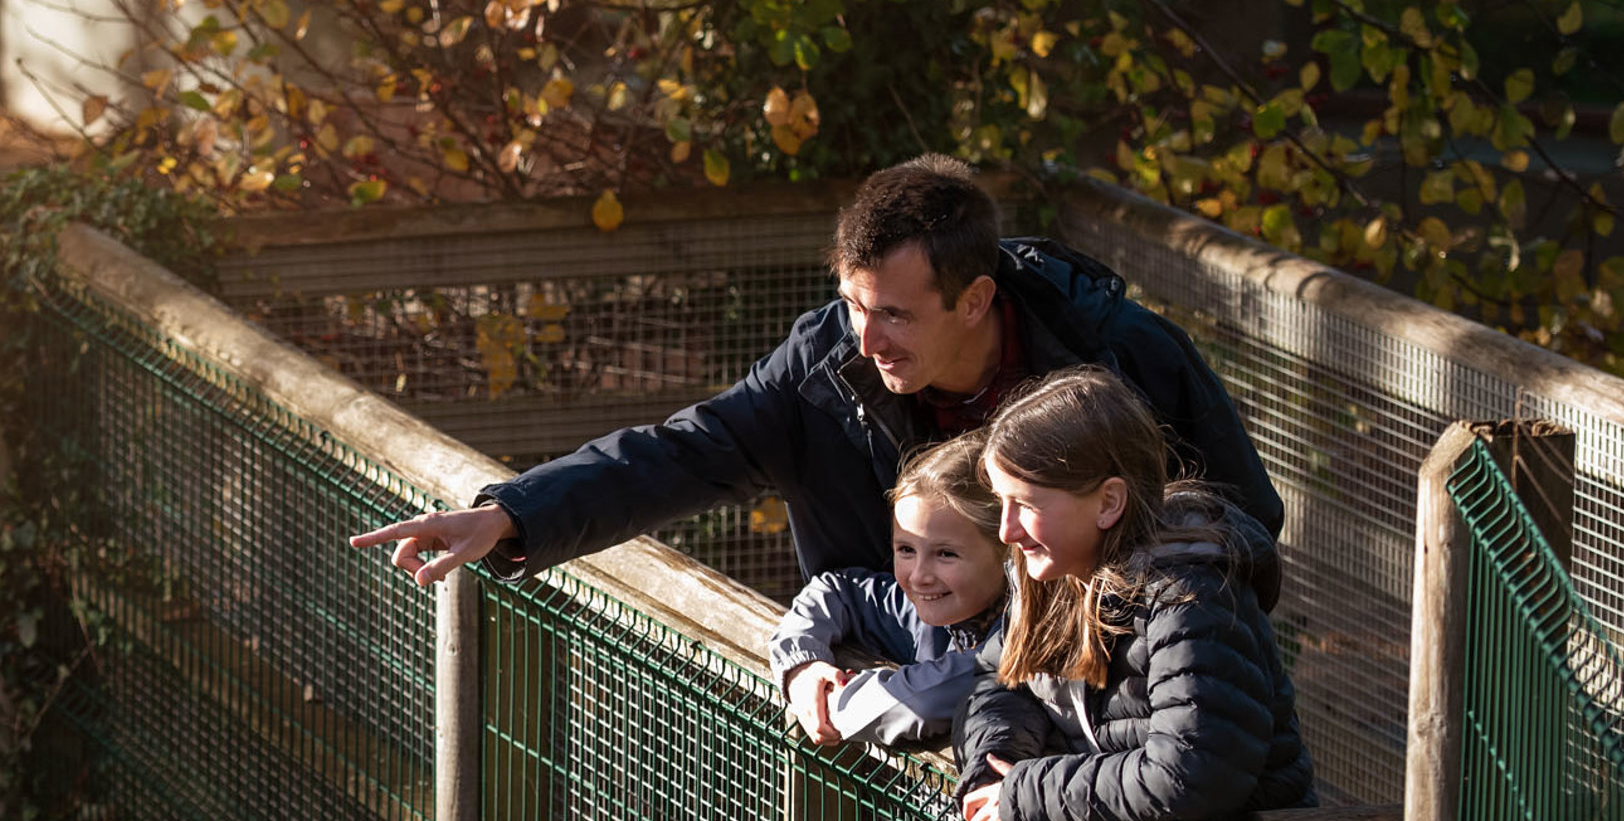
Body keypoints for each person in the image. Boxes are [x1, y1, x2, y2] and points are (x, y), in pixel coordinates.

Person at [352, 154, 1282, 589]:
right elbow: (684, 451)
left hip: (1093, 714)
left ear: (975, 300)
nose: (866, 339)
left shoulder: (1120, 357)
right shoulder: (824, 369)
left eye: (893, 314)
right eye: (852, 305)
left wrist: (1133, 618)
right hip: (905, 699)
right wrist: (517, 513)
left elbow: (1246, 524)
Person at [954, 364, 1314, 821]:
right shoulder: (1058, 576)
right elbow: (999, 679)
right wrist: (994, 762)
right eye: (1002, 501)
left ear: (1108, 503)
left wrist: (1026, 796)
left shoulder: (1191, 598)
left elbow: (1194, 770)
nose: (1007, 531)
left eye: (1027, 504)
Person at [769, 431, 1008, 749]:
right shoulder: (920, 609)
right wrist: (801, 667)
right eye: (906, 549)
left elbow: (918, 704)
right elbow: (835, 591)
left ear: (1007, 552)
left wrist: (836, 701)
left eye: (946, 554)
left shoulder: (1020, 637)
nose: (919, 576)